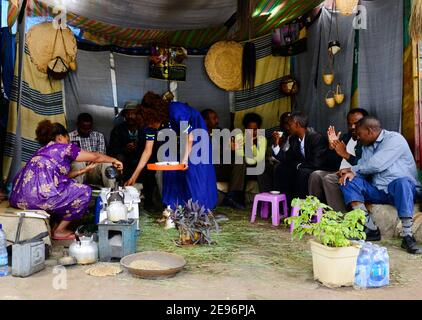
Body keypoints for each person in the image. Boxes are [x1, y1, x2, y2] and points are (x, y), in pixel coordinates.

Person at [9, 120, 123, 240]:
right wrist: (114, 160)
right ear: (60, 137)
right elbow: (96, 156)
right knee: (84, 191)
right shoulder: (64, 148)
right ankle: (59, 230)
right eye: (67, 139)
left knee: (67, 185)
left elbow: (60, 178)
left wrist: (82, 171)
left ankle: (55, 225)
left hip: (19, 198)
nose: (68, 142)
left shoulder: (41, 151)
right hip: (39, 199)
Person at [339, 116, 422, 254]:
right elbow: (365, 169)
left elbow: (377, 164)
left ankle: (407, 236)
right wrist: (350, 174)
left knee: (402, 182)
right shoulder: (366, 146)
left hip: (400, 190)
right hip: (379, 190)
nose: (358, 138)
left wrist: (353, 169)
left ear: (370, 131)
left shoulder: (395, 139)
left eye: (360, 134)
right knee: (347, 181)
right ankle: (369, 228)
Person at [125, 92, 218, 212]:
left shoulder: (176, 111)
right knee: (171, 169)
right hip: (177, 138)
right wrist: (134, 176)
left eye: (151, 124)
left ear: (156, 115)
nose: (151, 127)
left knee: (195, 170)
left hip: (196, 134)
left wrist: (184, 160)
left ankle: (201, 209)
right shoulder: (150, 124)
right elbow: (147, 151)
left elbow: (189, 138)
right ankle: (174, 209)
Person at [308, 108, 368, 212]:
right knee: (316, 175)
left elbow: (363, 164)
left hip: (356, 174)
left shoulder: (367, 140)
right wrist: (332, 149)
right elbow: (331, 162)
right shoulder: (347, 137)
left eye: (357, 123)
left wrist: (345, 153)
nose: (353, 127)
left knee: (329, 179)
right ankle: (317, 213)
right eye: (350, 124)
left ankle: (340, 219)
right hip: (339, 171)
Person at [108, 101, 158, 211]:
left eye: (133, 113)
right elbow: (111, 150)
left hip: (142, 161)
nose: (131, 116)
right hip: (125, 162)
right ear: (124, 115)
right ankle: (120, 198)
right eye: (128, 114)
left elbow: (151, 149)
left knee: (150, 166)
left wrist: (138, 147)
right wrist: (124, 149)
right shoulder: (118, 130)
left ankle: (149, 201)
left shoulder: (145, 129)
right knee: (119, 160)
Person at [275, 111, 328, 205]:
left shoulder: (316, 138)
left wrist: (298, 165)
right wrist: (276, 144)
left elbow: (317, 163)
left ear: (297, 124)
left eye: (290, 124)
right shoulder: (293, 139)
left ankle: (300, 209)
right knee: (281, 168)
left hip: (318, 168)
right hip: (303, 167)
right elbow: (288, 158)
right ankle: (285, 204)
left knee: (302, 173)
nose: (288, 127)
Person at [221, 113, 268, 210]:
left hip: (254, 169)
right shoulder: (239, 137)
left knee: (263, 167)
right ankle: (234, 198)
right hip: (242, 168)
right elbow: (240, 155)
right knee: (240, 161)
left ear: (259, 129)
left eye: (255, 130)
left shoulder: (262, 139)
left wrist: (251, 145)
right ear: (245, 129)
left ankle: (266, 201)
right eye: (249, 130)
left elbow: (259, 158)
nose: (252, 132)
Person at [69, 113, 112, 187]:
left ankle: (111, 191)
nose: (86, 131)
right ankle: (77, 191)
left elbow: (101, 155)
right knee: (77, 163)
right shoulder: (70, 137)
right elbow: (70, 156)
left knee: (107, 164)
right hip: (79, 170)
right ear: (77, 125)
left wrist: (91, 161)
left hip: (94, 168)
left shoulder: (99, 136)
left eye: (88, 129)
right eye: (83, 128)